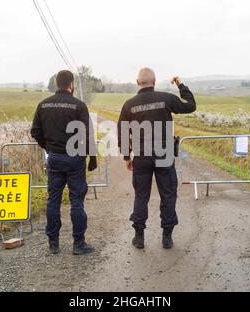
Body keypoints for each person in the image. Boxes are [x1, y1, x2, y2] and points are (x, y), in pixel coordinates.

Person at [117, 68, 196, 249]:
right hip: (164, 155)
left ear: (138, 82)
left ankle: (139, 237)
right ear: (155, 81)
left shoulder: (129, 104)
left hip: (142, 156)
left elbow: (122, 131)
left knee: (141, 196)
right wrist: (180, 84)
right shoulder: (166, 98)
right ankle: (167, 237)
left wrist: (126, 156)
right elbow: (190, 105)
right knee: (168, 195)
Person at [31, 70, 98, 255]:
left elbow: (35, 131)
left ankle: (53, 243)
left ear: (56, 83)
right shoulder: (79, 106)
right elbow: (87, 135)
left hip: (55, 158)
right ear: (71, 84)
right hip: (75, 159)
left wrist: (49, 148)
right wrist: (92, 159)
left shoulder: (43, 105)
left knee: (53, 200)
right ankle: (79, 243)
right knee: (77, 201)